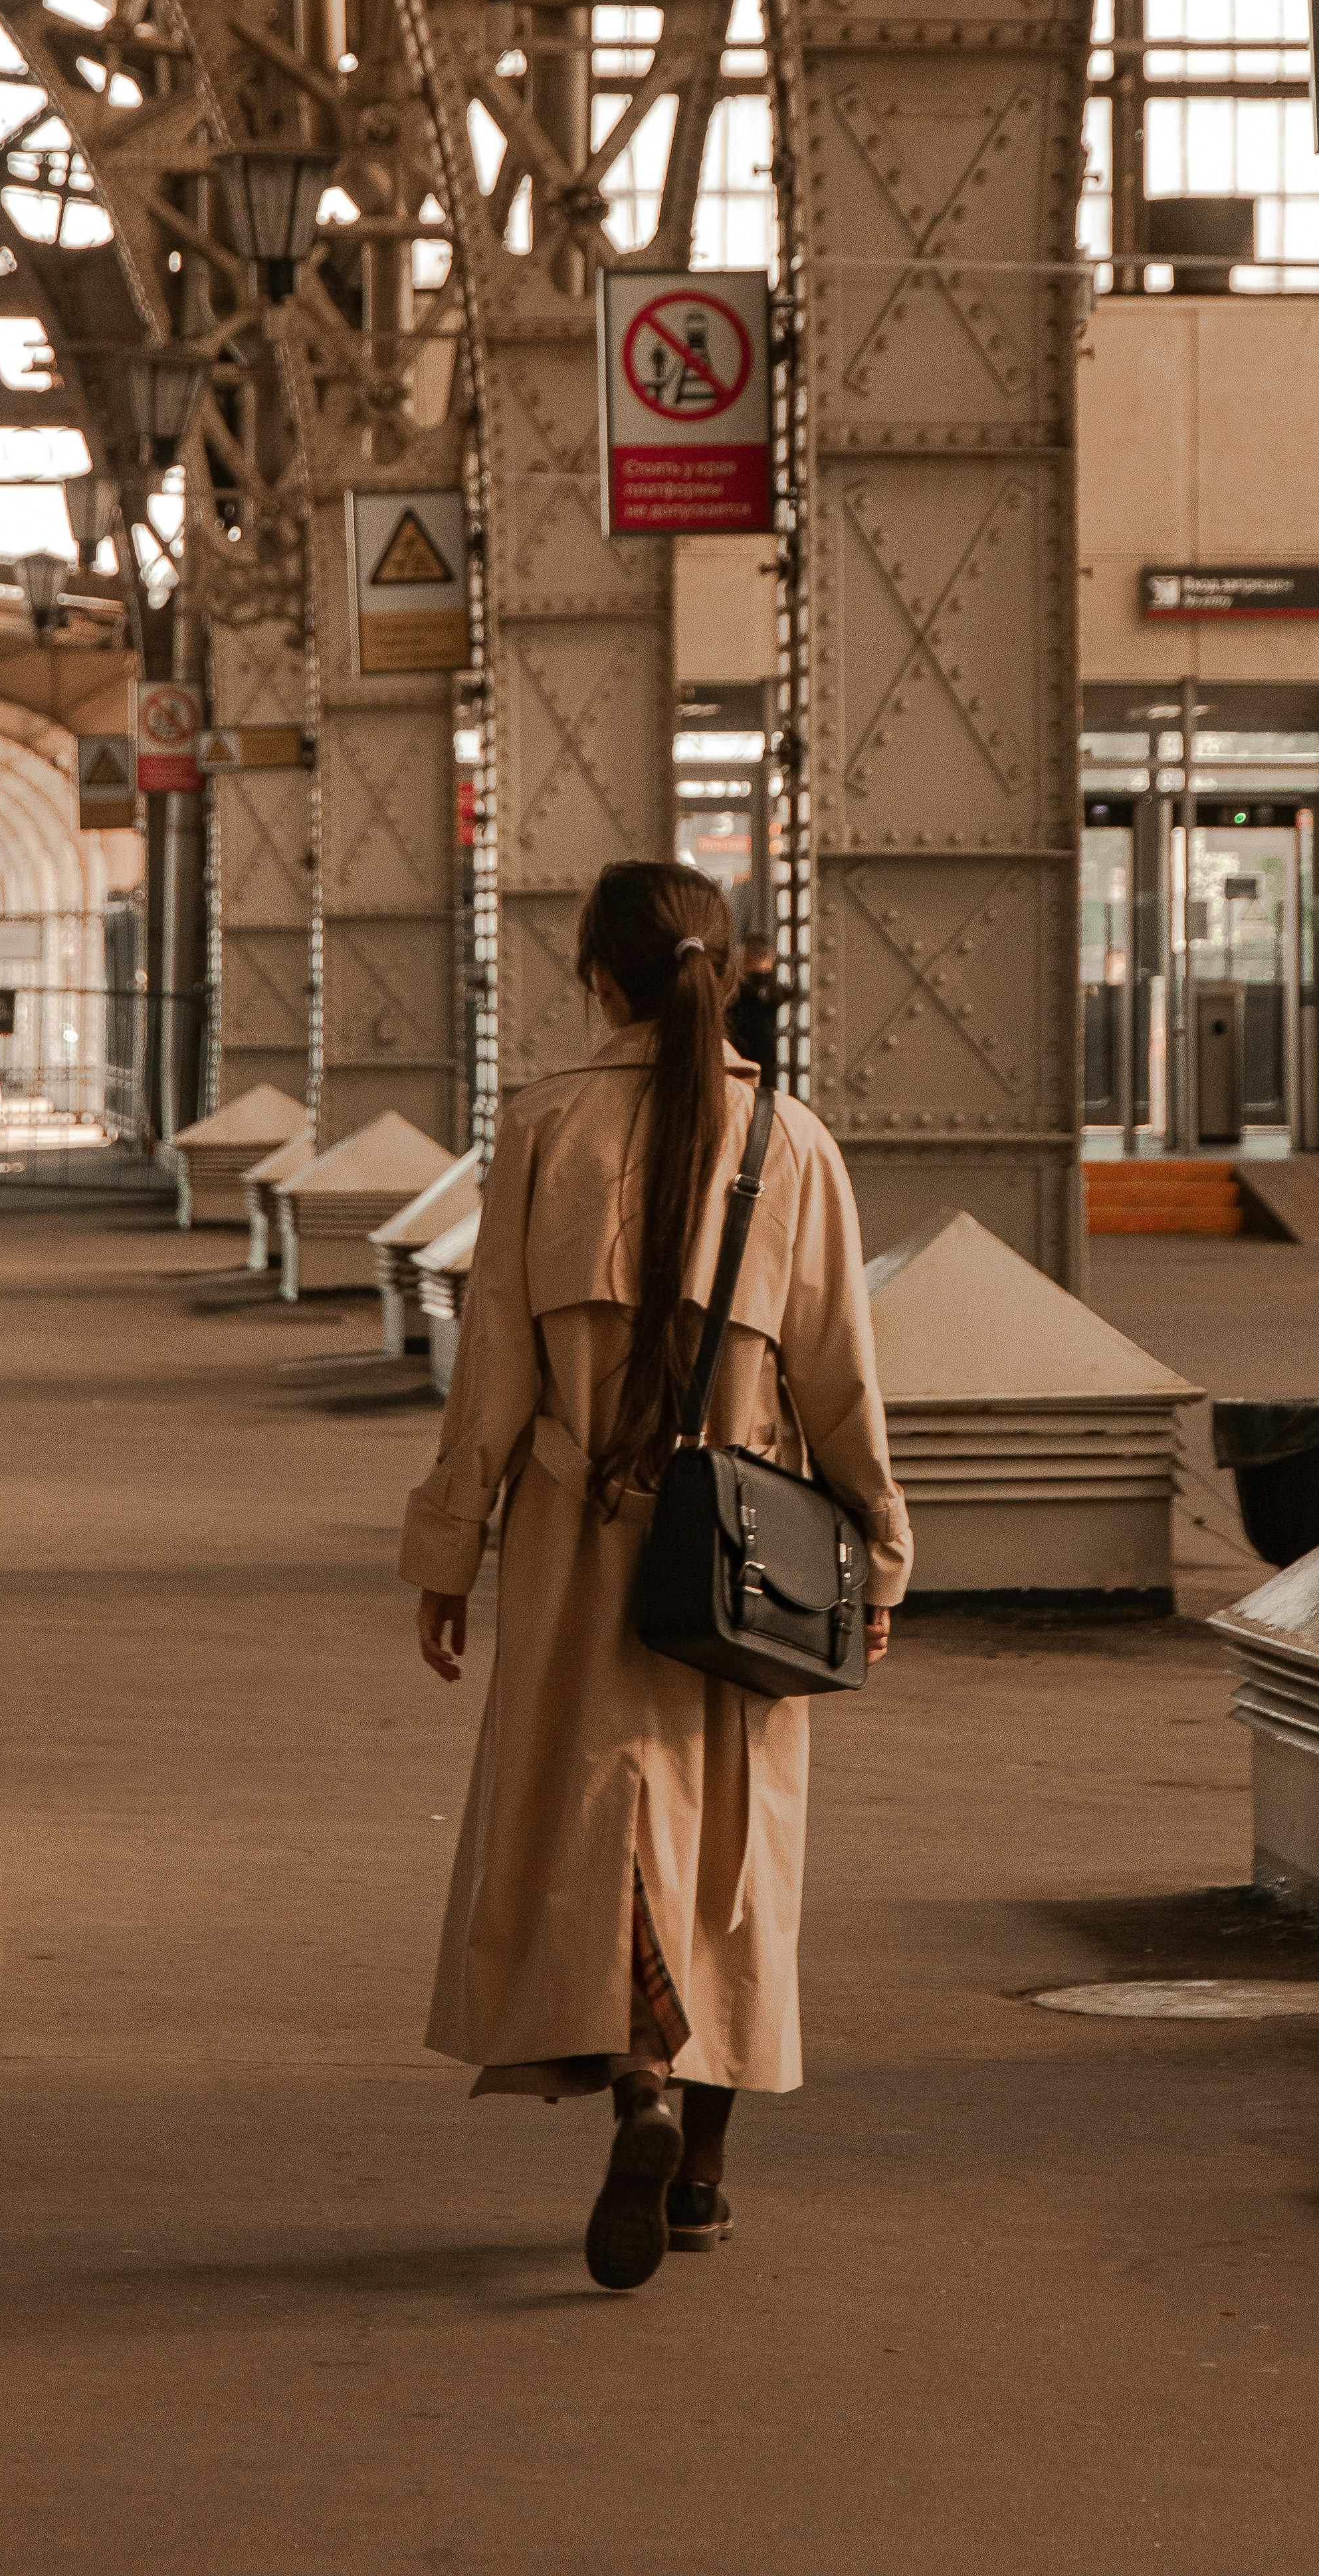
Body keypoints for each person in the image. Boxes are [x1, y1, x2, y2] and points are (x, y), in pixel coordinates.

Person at [400, 856, 910, 2294]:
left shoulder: (543, 1131)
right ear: (730, 970)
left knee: (599, 1823)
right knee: (731, 1859)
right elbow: (838, 1378)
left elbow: (492, 1367)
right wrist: (877, 1548)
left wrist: (448, 1546)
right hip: (742, 1547)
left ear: (600, 981)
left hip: (575, 1543)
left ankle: (634, 2078)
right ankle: (700, 2172)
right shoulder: (795, 1145)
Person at [725, 929, 783, 1084]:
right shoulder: (775, 996)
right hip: (764, 1072)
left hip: (738, 1070)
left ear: (745, 957)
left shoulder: (734, 996)